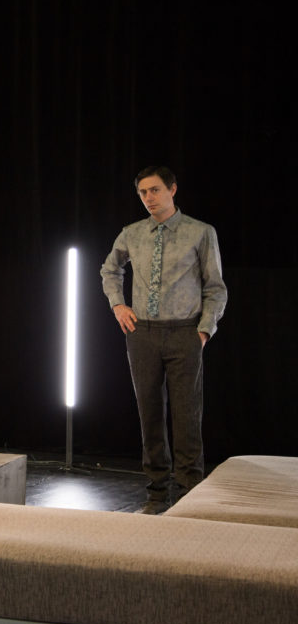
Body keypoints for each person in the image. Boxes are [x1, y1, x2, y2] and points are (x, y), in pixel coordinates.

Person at [100, 166, 227, 515]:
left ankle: (189, 495)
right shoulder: (132, 233)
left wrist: (203, 330)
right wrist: (118, 305)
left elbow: (215, 288)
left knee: (187, 416)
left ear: (172, 189)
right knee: (150, 414)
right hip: (143, 335)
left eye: (155, 190)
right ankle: (156, 493)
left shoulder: (200, 233)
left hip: (185, 331)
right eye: (143, 193)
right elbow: (110, 269)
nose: (149, 198)